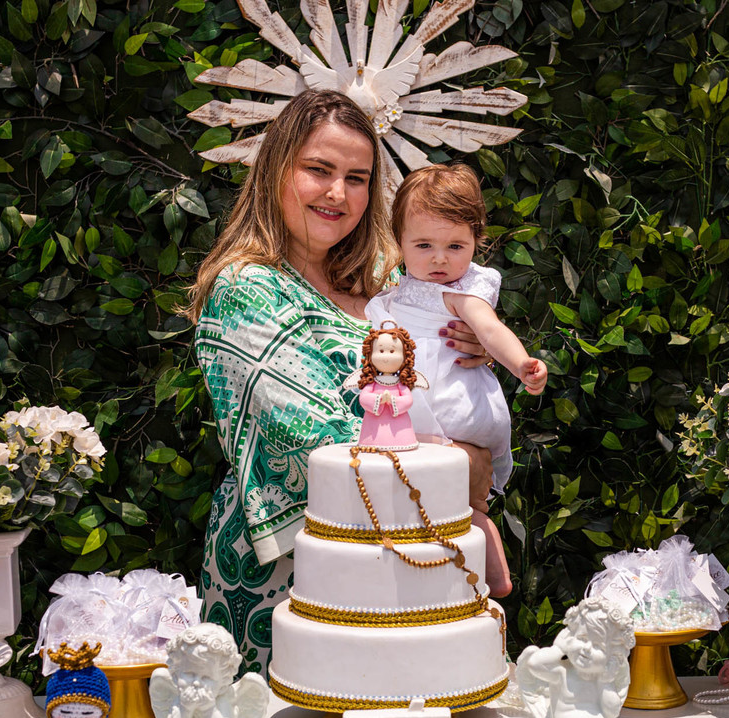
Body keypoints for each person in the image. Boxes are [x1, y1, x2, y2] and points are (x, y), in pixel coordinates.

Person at [185, 89, 495, 674]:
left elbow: (451, 389)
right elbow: (315, 434)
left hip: (415, 548)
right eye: (318, 170)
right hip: (298, 570)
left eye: (357, 178)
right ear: (276, 169)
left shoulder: (388, 280)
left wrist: (473, 350)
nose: (337, 193)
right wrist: (460, 461)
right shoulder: (245, 288)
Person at [366, 164, 547, 596]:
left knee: (457, 496)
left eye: (455, 246)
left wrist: (520, 363)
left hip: (449, 406)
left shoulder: (462, 291)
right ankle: (489, 579)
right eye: (424, 245)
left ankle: (493, 578)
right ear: (399, 241)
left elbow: (490, 330)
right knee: (453, 504)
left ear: (476, 241)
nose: (440, 259)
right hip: (421, 405)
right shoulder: (399, 288)